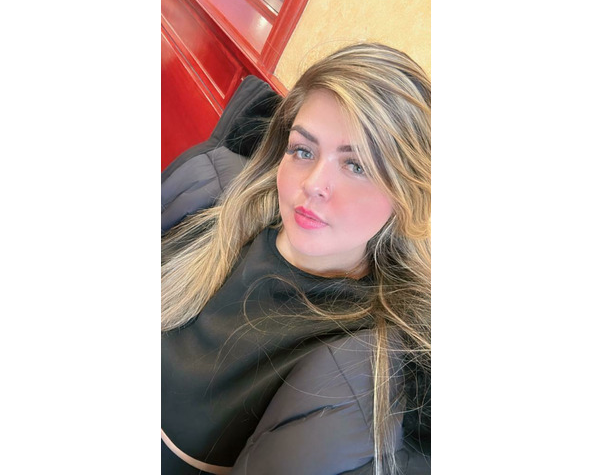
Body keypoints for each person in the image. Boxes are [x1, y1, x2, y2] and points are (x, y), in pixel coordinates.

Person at [161, 42, 431, 474]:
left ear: (406, 193)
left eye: (357, 166)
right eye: (303, 151)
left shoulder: (367, 366)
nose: (314, 185)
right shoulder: (212, 210)